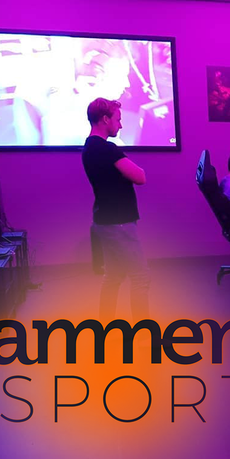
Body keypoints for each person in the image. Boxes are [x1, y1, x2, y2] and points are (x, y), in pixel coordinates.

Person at [82, 97, 150, 320]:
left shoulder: (89, 147)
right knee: (140, 277)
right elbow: (140, 177)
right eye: (118, 120)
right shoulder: (106, 149)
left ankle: (105, 326)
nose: (120, 125)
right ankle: (144, 333)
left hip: (104, 221)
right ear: (105, 119)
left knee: (113, 277)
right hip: (119, 223)